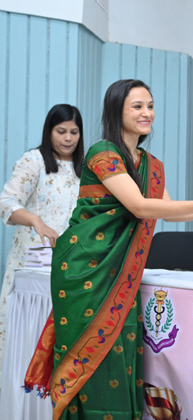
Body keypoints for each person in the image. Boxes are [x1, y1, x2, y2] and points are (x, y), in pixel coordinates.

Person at [23, 79, 193, 420]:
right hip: (85, 270)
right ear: (117, 111)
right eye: (137, 106)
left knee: (121, 355)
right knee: (89, 363)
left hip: (121, 276)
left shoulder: (149, 164)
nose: (147, 113)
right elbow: (140, 207)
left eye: (150, 106)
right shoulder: (102, 153)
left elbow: (167, 210)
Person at [0, 104, 84, 382]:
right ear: (49, 131)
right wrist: (35, 220)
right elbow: (6, 203)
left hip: (71, 265)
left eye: (74, 132)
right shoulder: (33, 161)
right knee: (28, 334)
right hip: (33, 264)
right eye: (61, 131)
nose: (68, 138)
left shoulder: (86, 169)